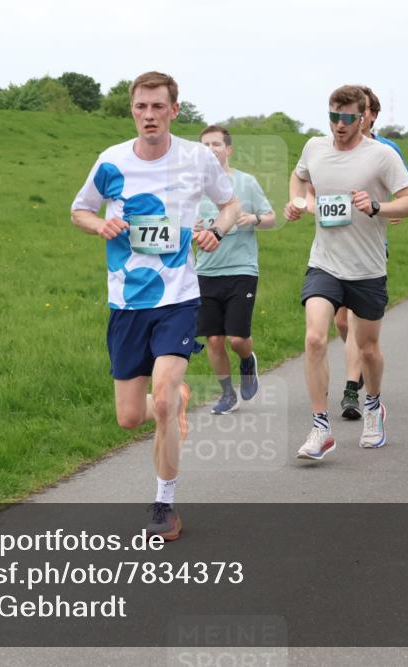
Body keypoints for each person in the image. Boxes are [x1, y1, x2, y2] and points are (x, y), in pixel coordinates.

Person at [71, 72, 238, 540]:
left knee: (160, 400)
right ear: (132, 110)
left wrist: (216, 231)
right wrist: (96, 226)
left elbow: (229, 204)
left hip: (178, 298)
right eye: (141, 107)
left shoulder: (197, 158)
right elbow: (79, 209)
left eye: (157, 107)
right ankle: (176, 399)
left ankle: (164, 504)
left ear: (174, 110)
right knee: (129, 416)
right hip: (126, 302)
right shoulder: (111, 161)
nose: (149, 115)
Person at [285, 84, 408, 460]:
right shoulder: (315, 147)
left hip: (366, 268)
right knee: (314, 338)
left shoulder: (381, 156)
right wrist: (300, 201)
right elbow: (299, 178)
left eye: (347, 118)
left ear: (363, 117)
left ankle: (374, 406)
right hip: (325, 263)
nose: (339, 125)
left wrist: (377, 206)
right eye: (333, 117)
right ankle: (320, 428)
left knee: (368, 348)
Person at [194, 125, 275, 415]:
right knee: (214, 339)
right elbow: (182, 225)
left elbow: (271, 218)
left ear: (228, 150)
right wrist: (190, 230)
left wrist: (252, 218)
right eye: (205, 145)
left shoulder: (246, 182)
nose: (211, 149)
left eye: (217, 144)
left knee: (237, 338)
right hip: (205, 271)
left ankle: (247, 360)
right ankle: (228, 394)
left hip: (242, 270)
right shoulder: (194, 187)